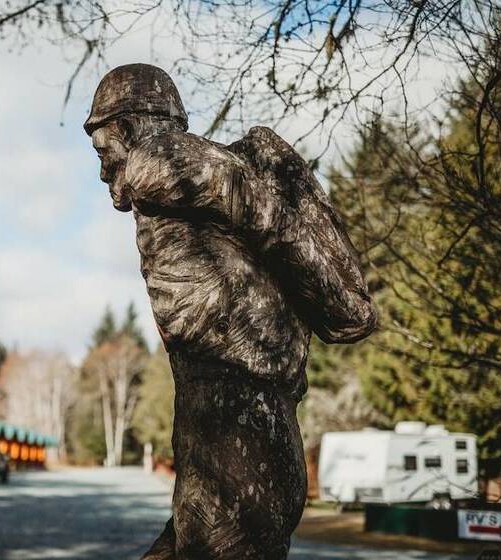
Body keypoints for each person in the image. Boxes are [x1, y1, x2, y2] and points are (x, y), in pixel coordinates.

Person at [84, 64, 377, 559]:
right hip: (241, 438)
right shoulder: (191, 172)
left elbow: (243, 199)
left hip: (236, 442)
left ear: (130, 126)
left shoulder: (157, 155)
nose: (102, 169)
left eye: (101, 147)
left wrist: (338, 294)